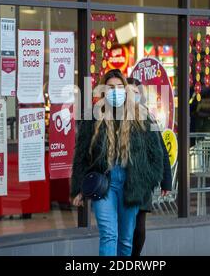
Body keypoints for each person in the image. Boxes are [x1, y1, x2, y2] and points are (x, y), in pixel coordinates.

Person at [70, 69, 165, 256]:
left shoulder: (141, 116)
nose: (116, 91)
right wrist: (78, 189)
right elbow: (81, 155)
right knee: (108, 234)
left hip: (131, 183)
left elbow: (156, 153)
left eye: (120, 87)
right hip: (104, 183)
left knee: (126, 239)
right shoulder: (93, 117)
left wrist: (147, 182)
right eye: (111, 87)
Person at [126, 77, 172, 257]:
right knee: (124, 228)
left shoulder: (149, 119)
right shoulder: (112, 117)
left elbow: (161, 151)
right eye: (129, 93)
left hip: (142, 182)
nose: (133, 97)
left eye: (136, 93)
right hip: (121, 181)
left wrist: (166, 181)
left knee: (139, 228)